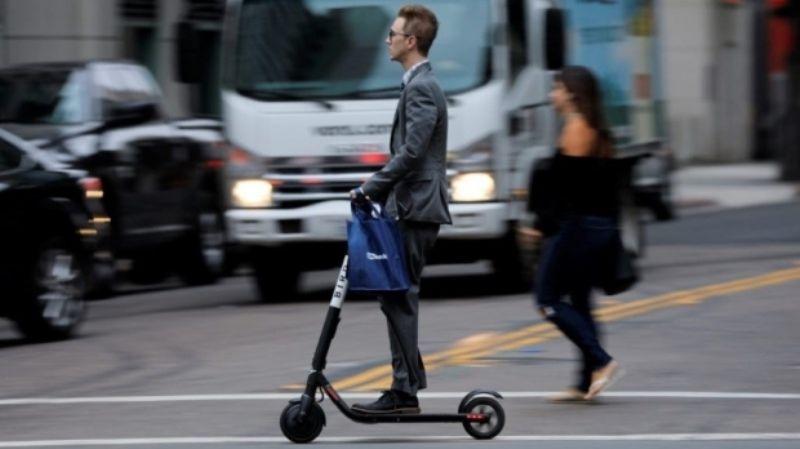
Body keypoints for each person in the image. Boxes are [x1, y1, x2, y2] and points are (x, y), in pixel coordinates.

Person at [349, 4, 451, 414]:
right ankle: (405, 387)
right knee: (395, 296)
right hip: (411, 205)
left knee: (398, 296)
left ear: (411, 41)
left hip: (416, 207)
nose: (387, 39)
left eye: (392, 34)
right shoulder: (417, 84)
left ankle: (404, 392)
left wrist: (371, 188)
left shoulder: (422, 87)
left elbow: (412, 152)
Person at [523, 65, 623, 402]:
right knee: (580, 303)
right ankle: (584, 382)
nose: (552, 95)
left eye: (557, 88)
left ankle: (601, 361)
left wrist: (540, 226)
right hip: (593, 226)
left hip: (576, 228)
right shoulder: (594, 128)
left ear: (572, 94)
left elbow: (565, 191)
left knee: (547, 299)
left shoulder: (577, 129)